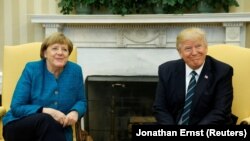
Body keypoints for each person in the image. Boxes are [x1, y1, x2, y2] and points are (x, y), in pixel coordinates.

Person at [2, 32, 87, 141]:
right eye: (55, 48)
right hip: (19, 126)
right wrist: (48, 111)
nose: (60, 53)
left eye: (64, 49)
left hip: (56, 131)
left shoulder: (75, 70)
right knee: (45, 119)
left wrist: (76, 112)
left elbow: (81, 101)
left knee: (49, 127)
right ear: (45, 53)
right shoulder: (32, 69)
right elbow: (16, 107)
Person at [152, 27, 234, 125]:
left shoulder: (222, 71)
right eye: (188, 48)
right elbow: (160, 107)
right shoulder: (167, 70)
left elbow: (220, 111)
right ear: (180, 53)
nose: (194, 53)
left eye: (198, 46)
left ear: (206, 48)